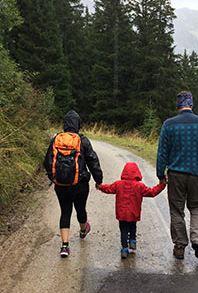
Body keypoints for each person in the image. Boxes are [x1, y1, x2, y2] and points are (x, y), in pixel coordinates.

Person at [156, 91, 198, 260]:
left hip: (176, 175)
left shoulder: (168, 125)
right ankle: (197, 240)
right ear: (191, 104)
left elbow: (162, 153)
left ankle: (179, 246)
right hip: (197, 175)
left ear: (178, 105)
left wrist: (160, 174)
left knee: (177, 211)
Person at [44, 110, 103, 258]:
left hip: (61, 185)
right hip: (80, 184)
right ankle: (83, 230)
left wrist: (54, 177)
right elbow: (93, 161)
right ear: (78, 124)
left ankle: (64, 246)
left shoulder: (56, 139)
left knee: (65, 211)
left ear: (65, 124)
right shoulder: (82, 141)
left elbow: (47, 161)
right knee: (80, 209)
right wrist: (98, 180)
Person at [96, 162, 166, 259]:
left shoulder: (118, 184)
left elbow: (108, 189)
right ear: (137, 173)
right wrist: (162, 185)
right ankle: (132, 240)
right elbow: (152, 192)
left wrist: (100, 187)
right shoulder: (140, 186)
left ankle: (124, 248)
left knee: (123, 230)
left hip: (122, 213)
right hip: (134, 213)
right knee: (133, 226)